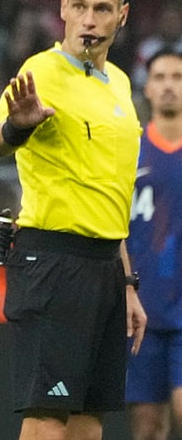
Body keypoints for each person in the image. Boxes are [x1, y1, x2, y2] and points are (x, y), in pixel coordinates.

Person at [0, 0, 147, 440]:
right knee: (47, 421)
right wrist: (19, 124)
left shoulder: (119, 84)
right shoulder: (40, 73)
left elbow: (109, 193)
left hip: (105, 267)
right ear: (62, 8)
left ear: (122, 14)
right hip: (53, 263)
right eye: (79, 6)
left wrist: (125, 282)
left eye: (102, 9)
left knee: (88, 422)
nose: (89, 19)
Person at [126, 48, 182, 440]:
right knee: (147, 427)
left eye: (177, 77)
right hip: (141, 311)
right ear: (147, 88)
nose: (168, 86)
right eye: (160, 77)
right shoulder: (129, 152)